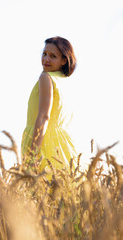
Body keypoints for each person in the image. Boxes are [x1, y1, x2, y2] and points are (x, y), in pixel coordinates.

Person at [21, 36, 77, 172]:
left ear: (64, 60)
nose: (46, 59)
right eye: (44, 54)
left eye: (53, 56)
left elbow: (44, 117)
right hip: (62, 146)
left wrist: (33, 153)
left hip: (42, 141)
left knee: (37, 190)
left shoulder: (46, 78)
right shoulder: (66, 82)